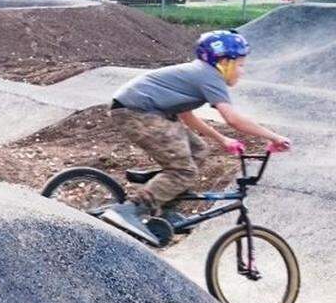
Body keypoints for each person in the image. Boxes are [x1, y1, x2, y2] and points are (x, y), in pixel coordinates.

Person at [100, 30, 292, 246]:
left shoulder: (201, 73)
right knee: (183, 170)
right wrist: (274, 137)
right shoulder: (210, 75)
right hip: (136, 111)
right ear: (223, 62)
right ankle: (128, 210)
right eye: (240, 65)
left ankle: (165, 208)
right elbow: (233, 119)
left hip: (149, 111)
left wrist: (222, 140)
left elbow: (186, 115)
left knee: (198, 150)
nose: (242, 71)